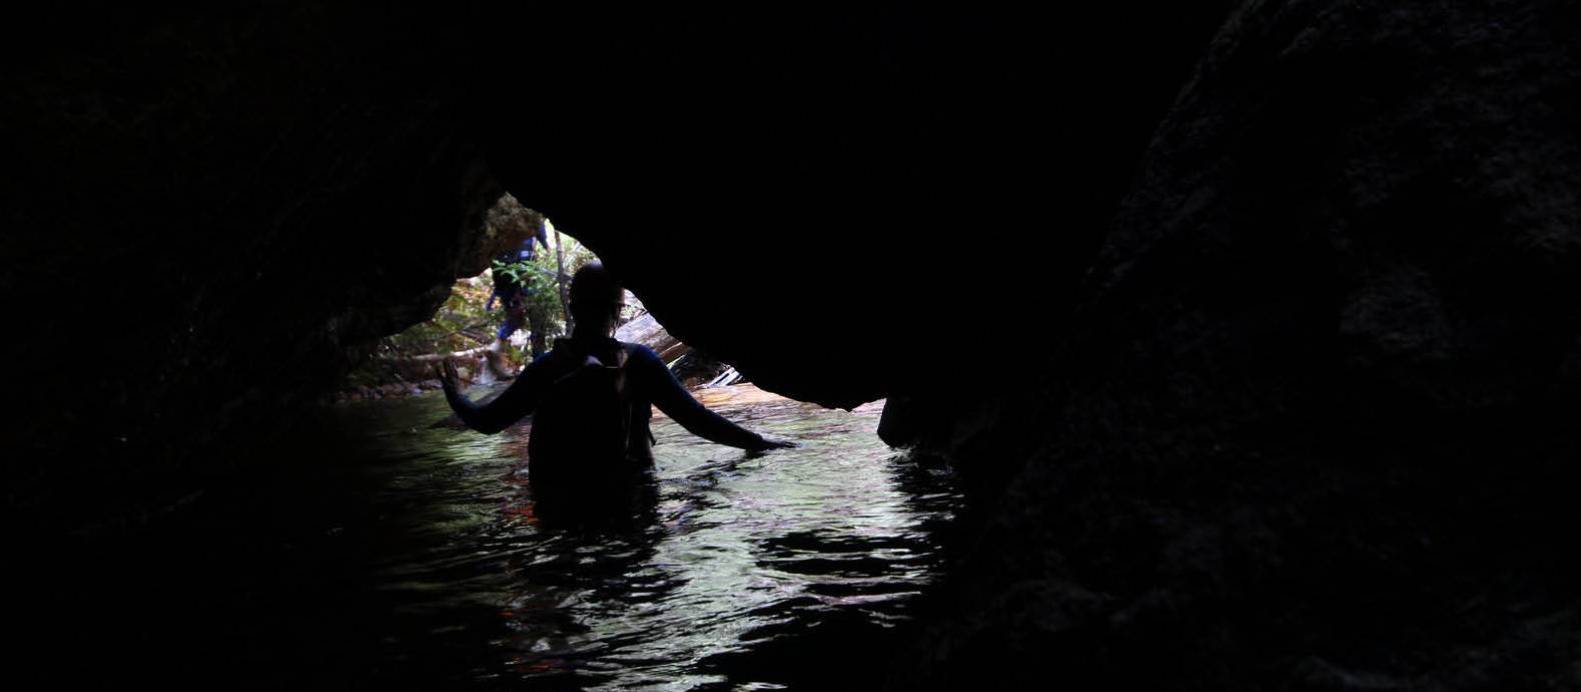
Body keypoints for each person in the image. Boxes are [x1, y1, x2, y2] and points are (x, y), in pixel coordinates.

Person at [439, 262, 792, 516]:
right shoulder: (641, 362)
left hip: (561, 502)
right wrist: (761, 442)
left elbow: (488, 422)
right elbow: (698, 421)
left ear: (573, 306)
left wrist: (455, 396)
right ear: (619, 311)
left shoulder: (546, 368)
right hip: (629, 496)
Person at [484, 221, 552, 374]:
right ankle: (539, 365)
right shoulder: (532, 215)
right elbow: (541, 233)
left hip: (502, 277)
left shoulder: (501, 218)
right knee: (538, 321)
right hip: (522, 274)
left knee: (516, 318)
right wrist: (547, 247)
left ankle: (496, 346)